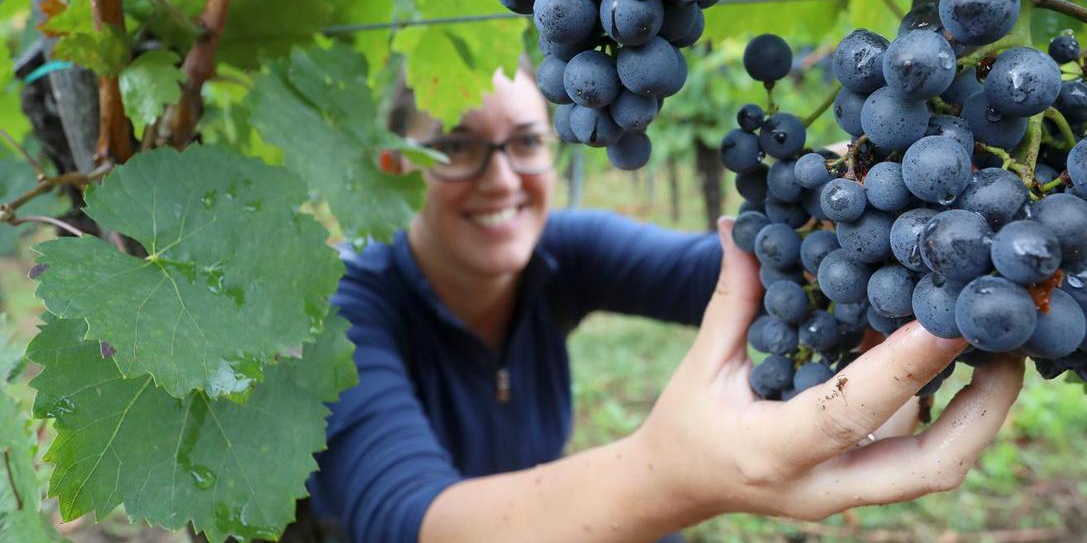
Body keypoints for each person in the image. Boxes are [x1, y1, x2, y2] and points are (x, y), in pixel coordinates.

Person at [305, 65, 1024, 543]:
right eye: (458, 147)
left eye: (526, 143)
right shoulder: (340, 309)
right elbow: (409, 519)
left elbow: (733, 266)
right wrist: (670, 474)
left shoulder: (560, 251)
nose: (501, 179)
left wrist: (854, 187)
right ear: (395, 165)